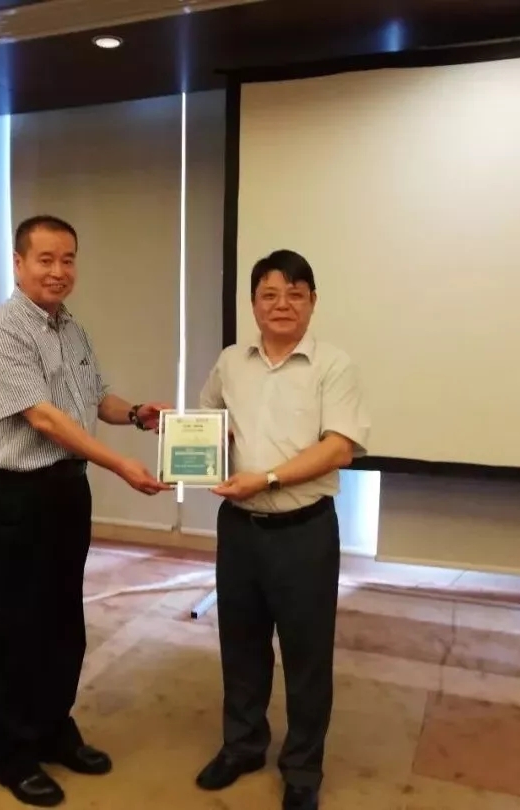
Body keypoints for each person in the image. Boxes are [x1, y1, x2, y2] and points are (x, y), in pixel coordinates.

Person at [0, 215, 172, 807]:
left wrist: (135, 414)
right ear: (18, 263)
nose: (59, 271)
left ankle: (54, 729)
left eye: (68, 259)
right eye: (46, 259)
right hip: (16, 497)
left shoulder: (72, 329)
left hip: (66, 494)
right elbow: (45, 418)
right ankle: (13, 754)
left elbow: (91, 397)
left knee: (63, 622)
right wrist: (119, 464)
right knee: (16, 629)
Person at [195, 249, 370, 810]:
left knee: (306, 656)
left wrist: (267, 477)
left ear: (312, 302)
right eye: (269, 294)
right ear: (253, 303)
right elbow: (207, 420)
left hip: (304, 532)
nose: (282, 304)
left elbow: (339, 448)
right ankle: (243, 745)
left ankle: (302, 769)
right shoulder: (231, 362)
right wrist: (200, 445)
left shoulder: (333, 365)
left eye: (295, 294)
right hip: (239, 530)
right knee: (240, 644)